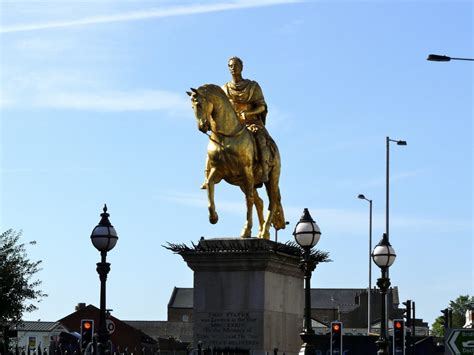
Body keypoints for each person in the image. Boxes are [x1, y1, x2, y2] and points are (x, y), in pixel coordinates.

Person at [222, 56, 271, 182]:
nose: (233, 68)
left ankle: (265, 170)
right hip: (233, 127)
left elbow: (261, 106)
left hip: (252, 123)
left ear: (241, 67)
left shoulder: (252, 86)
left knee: (260, 139)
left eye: (236, 65)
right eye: (231, 66)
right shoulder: (225, 89)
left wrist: (248, 114)